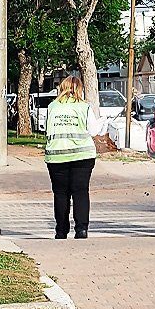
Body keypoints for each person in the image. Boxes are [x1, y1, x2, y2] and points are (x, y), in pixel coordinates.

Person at [44, 75, 109, 239]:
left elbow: (47, 129)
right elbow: (94, 131)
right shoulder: (83, 107)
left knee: (60, 194)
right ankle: (81, 229)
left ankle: (61, 230)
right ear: (80, 89)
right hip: (82, 155)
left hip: (57, 156)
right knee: (80, 192)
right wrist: (103, 122)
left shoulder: (52, 107)